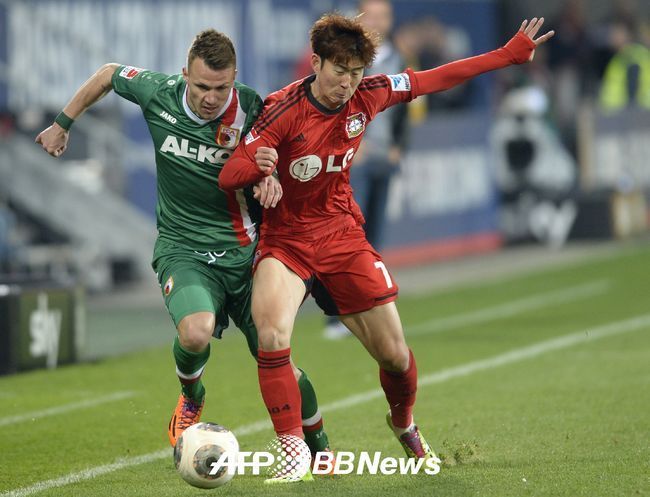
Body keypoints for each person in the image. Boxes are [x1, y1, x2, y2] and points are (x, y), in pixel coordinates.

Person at [219, 13, 553, 483]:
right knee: (271, 336)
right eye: (339, 71)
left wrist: (506, 55)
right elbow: (229, 174)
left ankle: (403, 423)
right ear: (316, 63)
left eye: (356, 72)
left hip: (342, 237)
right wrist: (259, 166)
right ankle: (293, 453)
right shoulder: (282, 108)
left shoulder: (369, 94)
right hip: (287, 241)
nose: (347, 83)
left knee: (395, 356)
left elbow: (436, 78)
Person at [35, 29, 332, 458]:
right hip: (183, 248)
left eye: (221, 88)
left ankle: (320, 449)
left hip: (246, 253)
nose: (211, 98)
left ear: (234, 79)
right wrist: (62, 124)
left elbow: (283, 152)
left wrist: (271, 177)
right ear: (184, 75)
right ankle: (192, 396)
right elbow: (108, 74)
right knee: (196, 332)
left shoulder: (252, 107)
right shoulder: (159, 93)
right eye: (202, 86)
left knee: (277, 357)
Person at [323, 0, 409, 340]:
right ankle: (336, 315)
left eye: (383, 16)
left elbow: (407, 103)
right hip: (352, 160)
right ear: (358, 18)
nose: (377, 21)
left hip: (383, 157)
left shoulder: (397, 57)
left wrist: (399, 145)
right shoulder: (344, 58)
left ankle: (367, 309)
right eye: (371, 15)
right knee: (344, 239)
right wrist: (345, 145)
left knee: (373, 240)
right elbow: (326, 102)